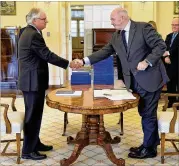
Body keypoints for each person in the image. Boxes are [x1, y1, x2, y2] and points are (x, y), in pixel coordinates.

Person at [70, 7, 169, 159]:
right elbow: (104, 52)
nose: (111, 22)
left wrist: (147, 61)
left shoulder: (143, 28)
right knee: (145, 113)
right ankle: (149, 144)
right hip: (134, 81)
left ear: (122, 18)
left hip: (150, 78)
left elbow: (161, 45)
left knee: (148, 114)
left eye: (113, 19)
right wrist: (83, 61)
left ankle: (149, 149)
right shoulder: (116, 36)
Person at [18, 8, 71, 160]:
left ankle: (35, 143)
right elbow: (47, 55)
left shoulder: (26, 31)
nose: (46, 21)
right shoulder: (33, 34)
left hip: (30, 80)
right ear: (34, 20)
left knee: (35, 115)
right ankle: (28, 151)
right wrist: (68, 64)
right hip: (32, 82)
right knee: (33, 116)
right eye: (44, 19)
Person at [162, 17, 179, 107]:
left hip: (177, 64)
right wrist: (166, 57)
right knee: (170, 84)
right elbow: (164, 47)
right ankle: (171, 102)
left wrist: (169, 53)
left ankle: (178, 104)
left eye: (176, 25)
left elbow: (177, 49)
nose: (174, 26)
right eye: (173, 25)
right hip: (169, 65)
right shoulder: (169, 36)